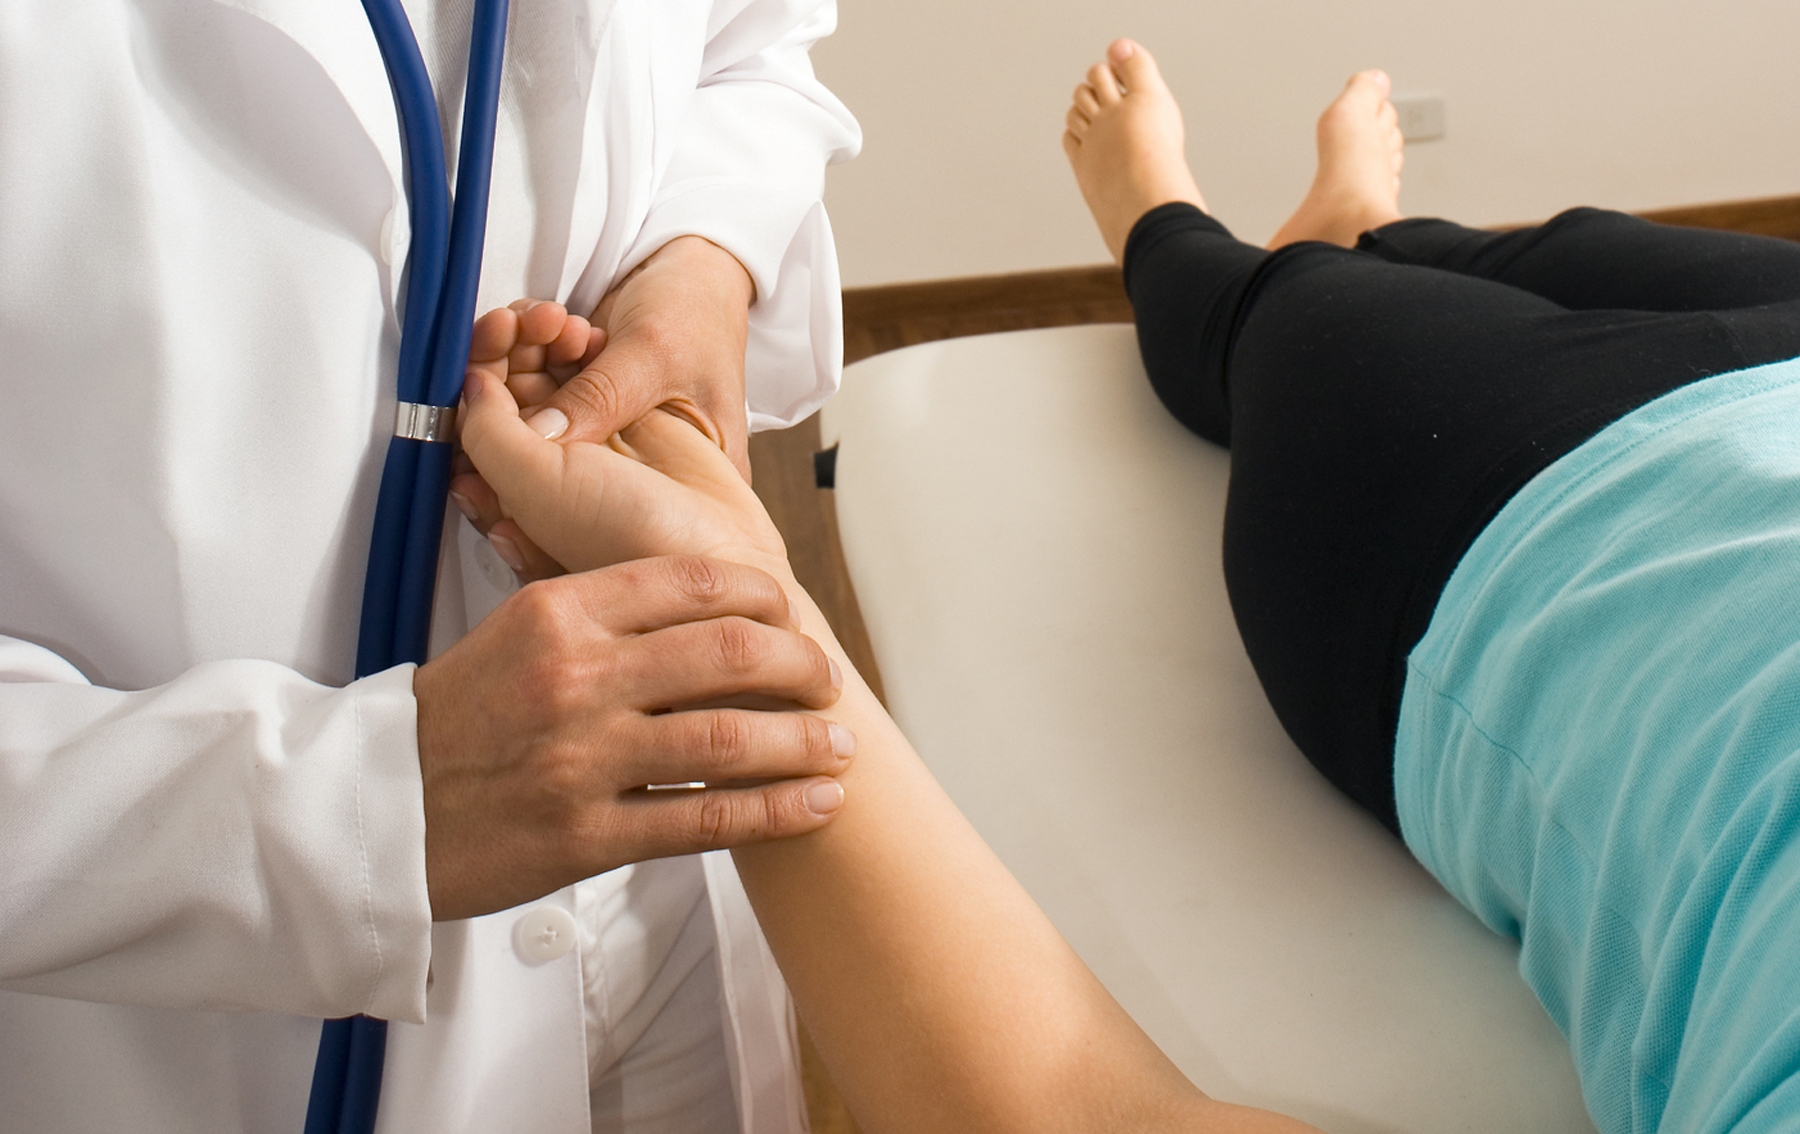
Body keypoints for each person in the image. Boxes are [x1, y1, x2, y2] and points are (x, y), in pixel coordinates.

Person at [0, 3, 857, 1132]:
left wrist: (701, 263)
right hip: (217, 1026)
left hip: (666, 903)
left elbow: (749, 49)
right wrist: (357, 809)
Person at [1059, 38, 1800, 1134]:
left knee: (1284, 311)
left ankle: (1161, 219)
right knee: (1584, 244)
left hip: (1554, 530)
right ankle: (1367, 222)